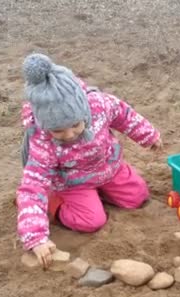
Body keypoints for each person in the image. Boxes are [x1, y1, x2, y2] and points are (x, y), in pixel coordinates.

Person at [16, 53, 162, 269]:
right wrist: (36, 238)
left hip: (108, 167)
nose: (69, 134)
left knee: (137, 196)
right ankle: (55, 202)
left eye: (75, 125)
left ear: (84, 109)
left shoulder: (99, 104)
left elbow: (124, 115)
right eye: (58, 130)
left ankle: (101, 192)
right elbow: (32, 186)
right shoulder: (42, 141)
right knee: (92, 221)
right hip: (72, 183)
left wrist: (148, 136)